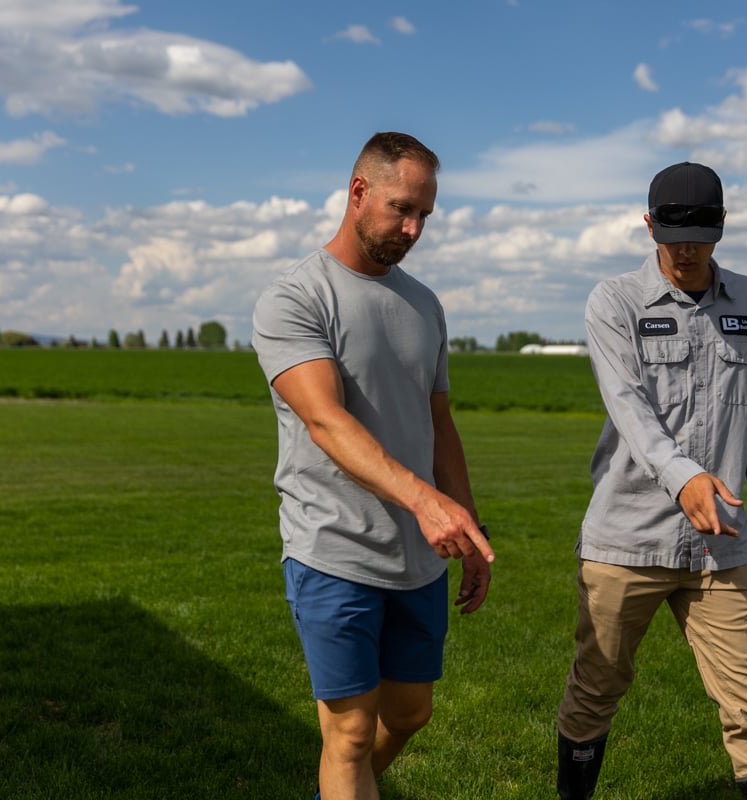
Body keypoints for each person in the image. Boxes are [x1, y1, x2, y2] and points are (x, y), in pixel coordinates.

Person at [252, 131, 495, 800]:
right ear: (357, 192)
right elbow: (328, 422)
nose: (413, 228)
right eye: (401, 209)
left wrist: (464, 522)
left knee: (411, 713)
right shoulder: (296, 298)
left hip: (419, 557)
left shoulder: (424, 304)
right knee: (351, 735)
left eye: (424, 215)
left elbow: (438, 422)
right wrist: (425, 500)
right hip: (333, 549)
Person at [555, 162, 747, 800]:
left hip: (721, 543)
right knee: (594, 692)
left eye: (701, 234)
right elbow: (629, 410)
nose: (687, 249)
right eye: (672, 234)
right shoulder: (612, 303)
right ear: (648, 226)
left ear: (721, 229)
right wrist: (685, 477)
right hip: (625, 540)